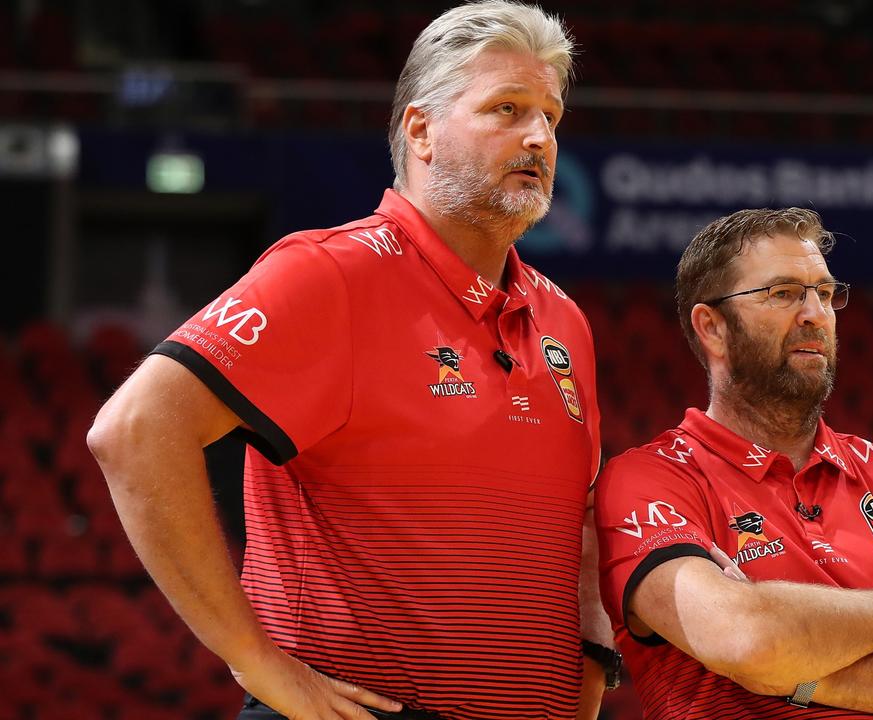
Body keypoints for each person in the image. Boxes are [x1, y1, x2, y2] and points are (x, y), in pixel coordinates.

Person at [87, 3, 620, 719]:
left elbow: (577, 512)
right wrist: (257, 663)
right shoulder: (330, 273)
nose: (538, 136)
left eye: (550, 115)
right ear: (422, 131)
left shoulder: (563, 317)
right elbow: (134, 432)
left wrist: (591, 656)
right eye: (506, 108)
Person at [593, 208, 873, 719]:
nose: (815, 313)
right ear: (712, 328)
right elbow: (748, 639)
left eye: (825, 292)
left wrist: (793, 676)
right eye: (783, 293)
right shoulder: (649, 478)